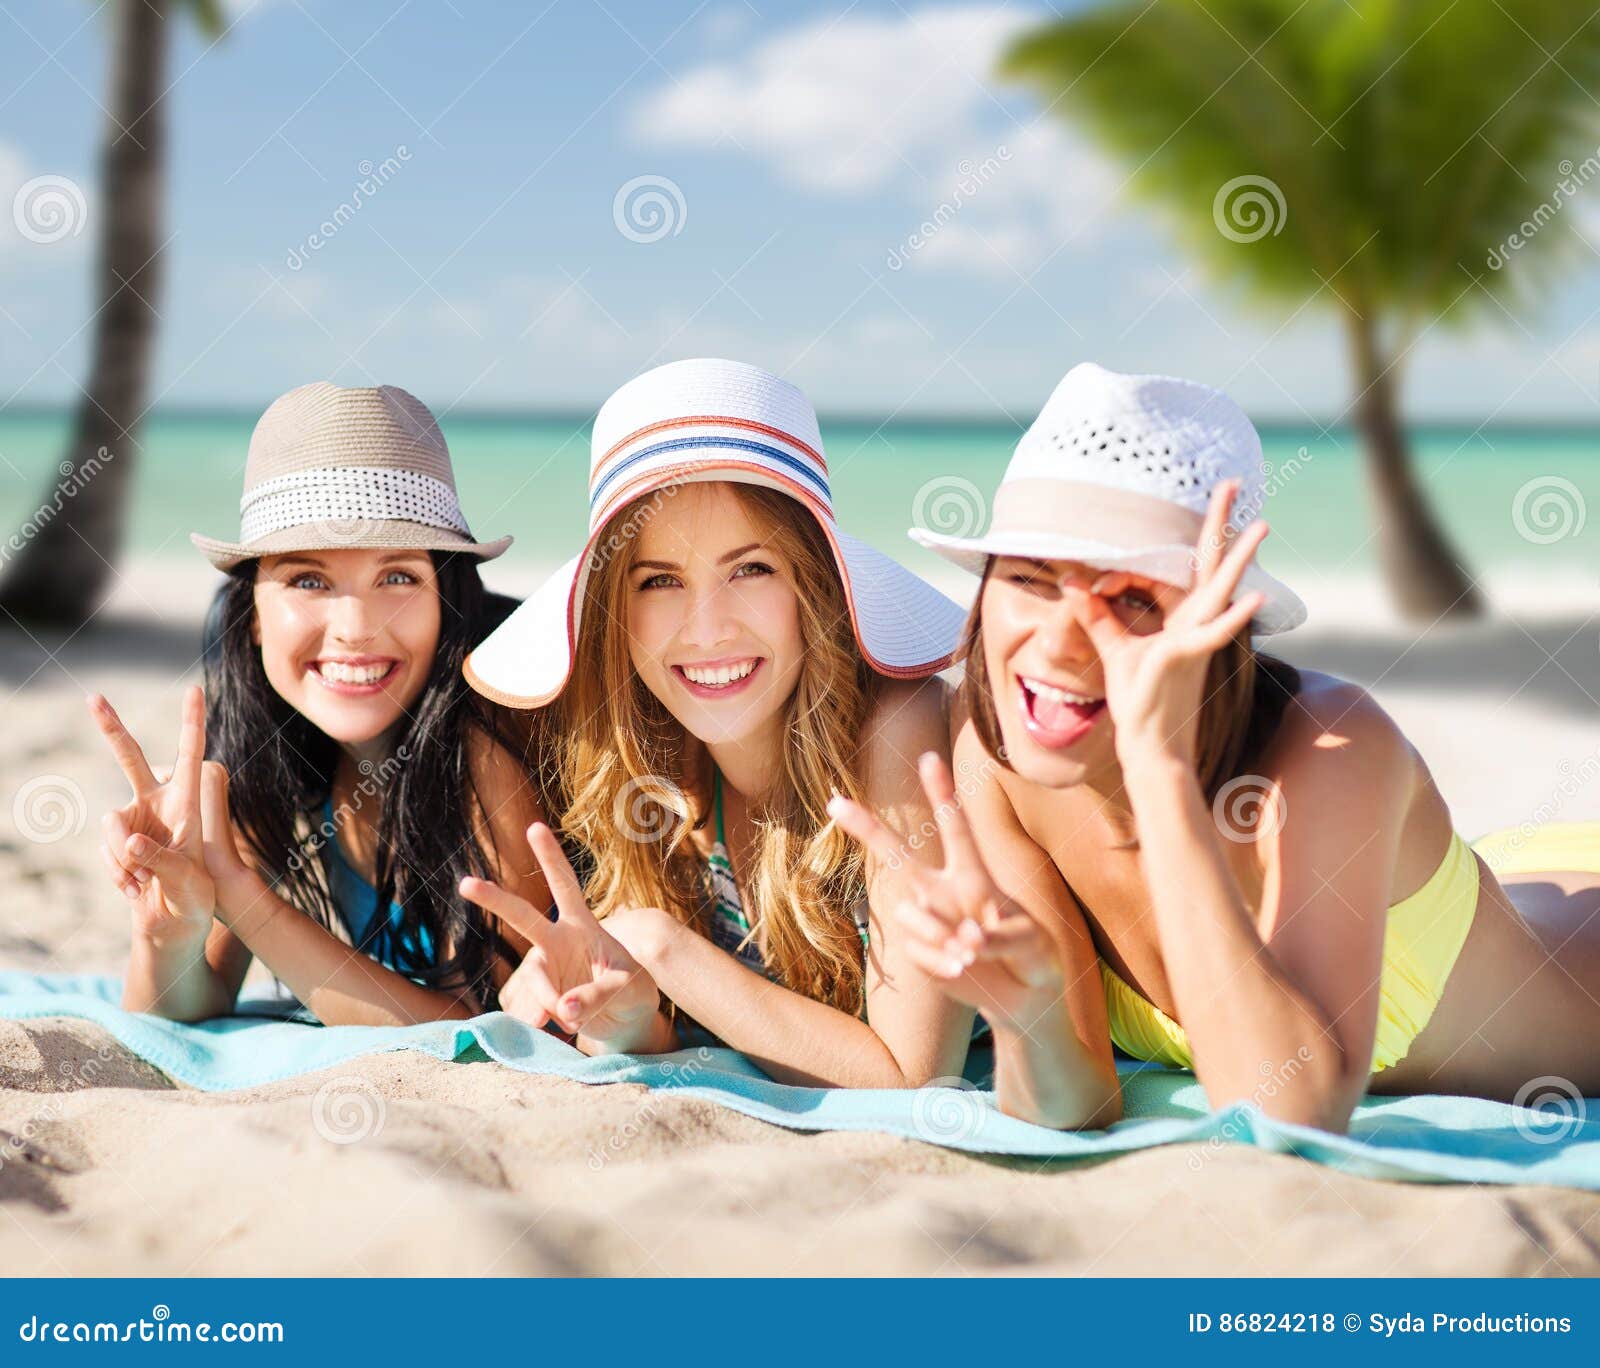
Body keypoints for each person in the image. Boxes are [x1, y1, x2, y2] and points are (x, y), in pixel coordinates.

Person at [833, 362, 1600, 1133]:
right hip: (1504, 876)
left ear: (1221, 627)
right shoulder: (996, 757)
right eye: (1032, 579)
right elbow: (1078, 1101)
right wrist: (1023, 1011)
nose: (1063, 643)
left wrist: (1157, 769)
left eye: (1132, 600)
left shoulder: (1334, 747)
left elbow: (1290, 1111)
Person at [459, 358, 977, 1087]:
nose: (706, 632)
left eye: (751, 569)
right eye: (661, 581)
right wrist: (632, 1019)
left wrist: (659, 947)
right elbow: (744, 1033)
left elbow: (912, 1076)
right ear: (619, 617)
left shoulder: (898, 728)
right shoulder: (656, 770)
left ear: (815, 585)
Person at [93, 382, 555, 1026]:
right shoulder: (269, 754)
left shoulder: (491, 732)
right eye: (309, 579)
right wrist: (166, 929)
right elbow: (179, 1012)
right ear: (253, 614)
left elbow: (494, 1030)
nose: (355, 627)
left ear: (447, 597)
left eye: (397, 576)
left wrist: (242, 896)